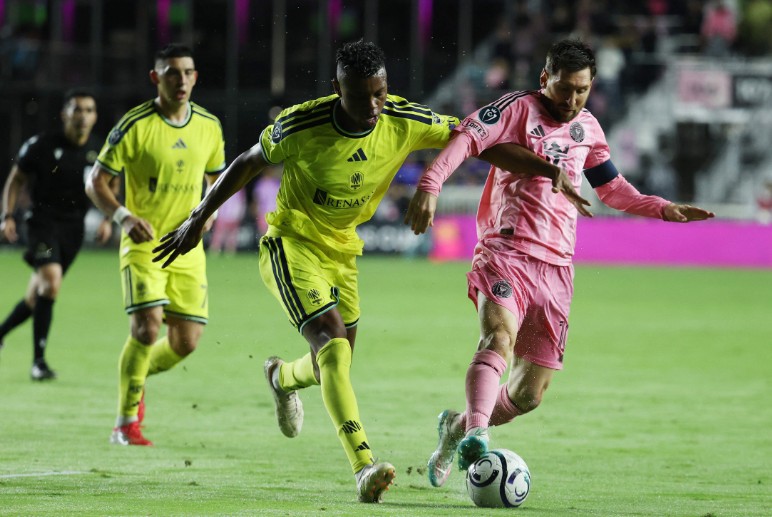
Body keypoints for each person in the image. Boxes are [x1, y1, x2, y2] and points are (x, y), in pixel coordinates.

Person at [150, 40, 582, 504]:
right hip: (292, 243)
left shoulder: (403, 118)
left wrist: (545, 169)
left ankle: (280, 377)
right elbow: (247, 163)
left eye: (380, 93)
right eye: (361, 96)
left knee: (328, 363)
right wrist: (198, 218)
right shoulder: (301, 123)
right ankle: (364, 466)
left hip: (344, 252)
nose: (373, 106)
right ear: (337, 89)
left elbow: (477, 142)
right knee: (333, 350)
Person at [404, 39, 715, 487]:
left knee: (529, 394)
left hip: (557, 268)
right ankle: (476, 433)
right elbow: (467, 138)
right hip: (506, 250)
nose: (571, 101)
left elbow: (611, 189)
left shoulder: (587, 128)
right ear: (544, 78)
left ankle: (455, 427)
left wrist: (662, 208)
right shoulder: (517, 109)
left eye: (582, 91)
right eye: (564, 89)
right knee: (498, 336)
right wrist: (431, 184)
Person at [85, 43, 225, 446]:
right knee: (146, 330)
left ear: (195, 77)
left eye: (187, 72)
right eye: (171, 72)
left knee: (186, 343)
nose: (181, 80)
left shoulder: (209, 126)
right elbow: (95, 181)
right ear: (155, 78)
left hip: (186, 247)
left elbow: (217, 180)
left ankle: (137, 375)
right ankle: (125, 423)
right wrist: (124, 216)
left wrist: (208, 215)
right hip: (143, 246)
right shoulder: (134, 125)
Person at [0, 88, 110, 381]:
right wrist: (7, 215)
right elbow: (16, 179)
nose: (83, 116)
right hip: (41, 224)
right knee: (51, 283)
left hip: (72, 230)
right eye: (77, 109)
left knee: (37, 296)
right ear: (65, 114)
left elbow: (110, 185)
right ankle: (39, 363)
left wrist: (109, 218)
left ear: (95, 116)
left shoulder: (99, 151)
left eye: (89, 110)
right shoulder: (42, 145)